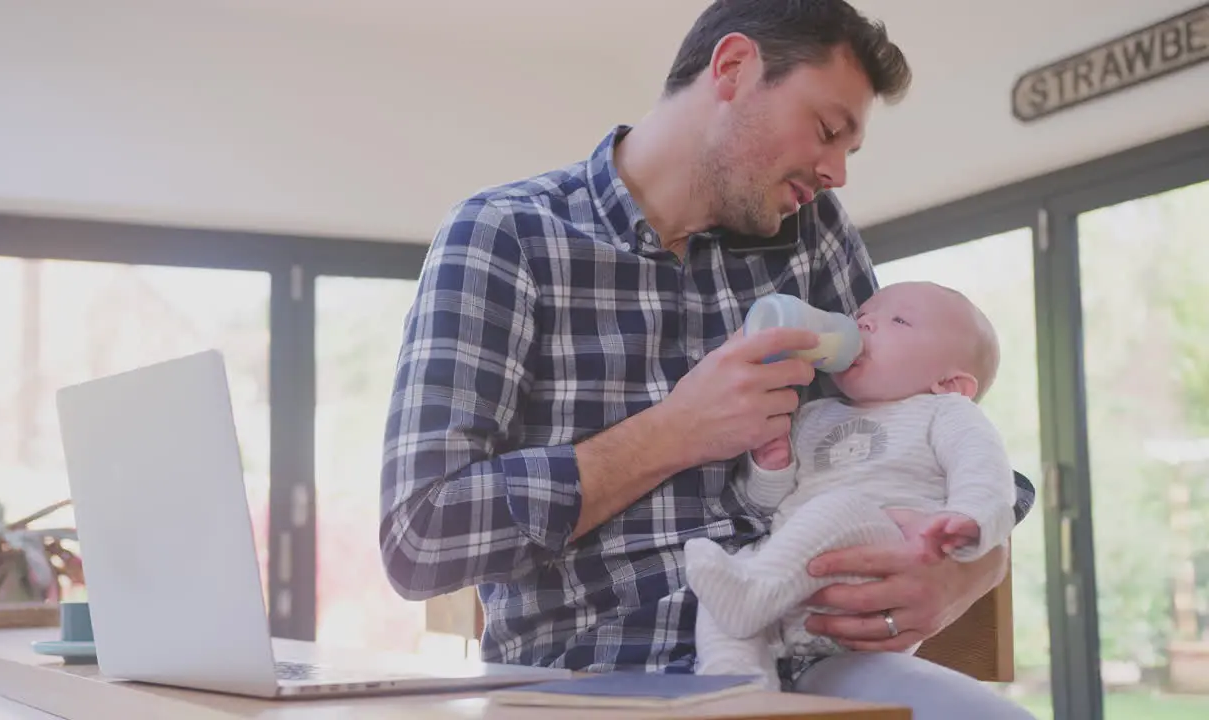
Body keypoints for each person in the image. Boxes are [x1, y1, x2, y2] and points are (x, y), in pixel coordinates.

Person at [380, 1, 1035, 717]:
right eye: (827, 131)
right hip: (592, 682)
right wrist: (674, 432)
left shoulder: (810, 234)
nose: (836, 173)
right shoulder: (506, 236)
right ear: (732, 69)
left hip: (809, 668)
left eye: (850, 149)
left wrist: (969, 572)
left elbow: (924, 431)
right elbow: (420, 537)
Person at [685, 282, 1017, 692]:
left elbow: (986, 476)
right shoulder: (813, 415)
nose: (864, 322)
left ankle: (752, 594)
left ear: (949, 384)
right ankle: (739, 682)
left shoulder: (944, 413)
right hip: (793, 588)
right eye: (864, 314)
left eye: (898, 320)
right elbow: (765, 506)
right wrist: (772, 468)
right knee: (730, 573)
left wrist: (969, 521)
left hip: (879, 569)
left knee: (839, 507)